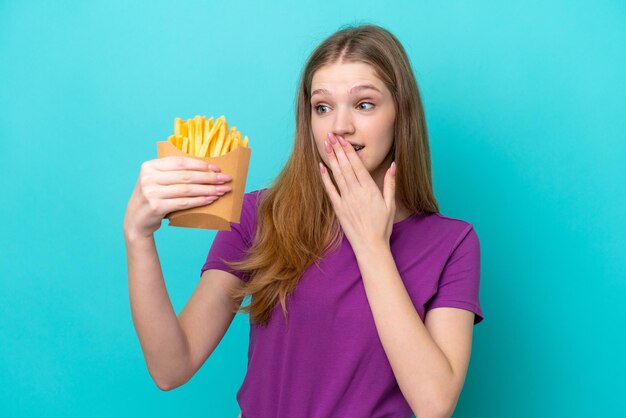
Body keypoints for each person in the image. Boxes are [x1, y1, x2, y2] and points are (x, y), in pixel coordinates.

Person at [124, 23, 484, 418]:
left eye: (364, 104)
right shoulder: (259, 216)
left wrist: (371, 244)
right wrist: (138, 237)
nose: (339, 126)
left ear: (401, 114)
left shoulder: (453, 243)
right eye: (323, 107)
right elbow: (171, 367)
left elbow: (434, 404)